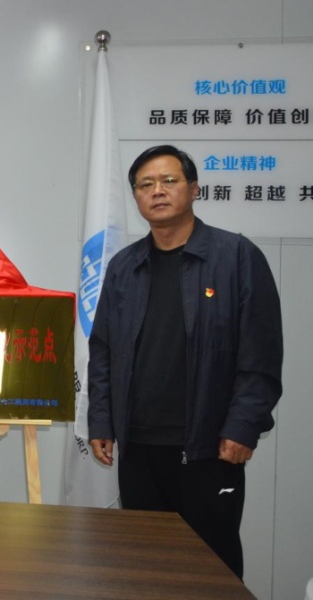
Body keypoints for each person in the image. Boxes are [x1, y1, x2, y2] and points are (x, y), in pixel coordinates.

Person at [87, 144, 283, 578]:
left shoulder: (236, 256)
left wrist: (242, 426)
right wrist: (101, 421)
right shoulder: (124, 266)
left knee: (210, 567)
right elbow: (102, 350)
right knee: (145, 567)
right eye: (145, 185)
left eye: (169, 181)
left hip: (210, 448)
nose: (157, 191)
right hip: (139, 447)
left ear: (194, 189)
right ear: (136, 198)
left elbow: (262, 354)